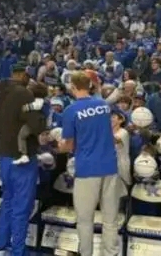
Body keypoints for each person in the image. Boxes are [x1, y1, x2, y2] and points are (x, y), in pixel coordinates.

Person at [58, 71, 120, 256]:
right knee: (110, 219)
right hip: (110, 166)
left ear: (72, 86)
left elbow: (68, 145)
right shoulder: (103, 105)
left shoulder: (71, 110)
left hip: (87, 169)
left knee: (85, 220)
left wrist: (56, 146)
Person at [0, 65, 47, 256]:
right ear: (22, 75)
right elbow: (36, 124)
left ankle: (0, 247)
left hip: (4, 157)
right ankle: (17, 252)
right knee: (22, 207)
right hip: (21, 160)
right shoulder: (24, 94)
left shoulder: (1, 95)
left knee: (7, 201)